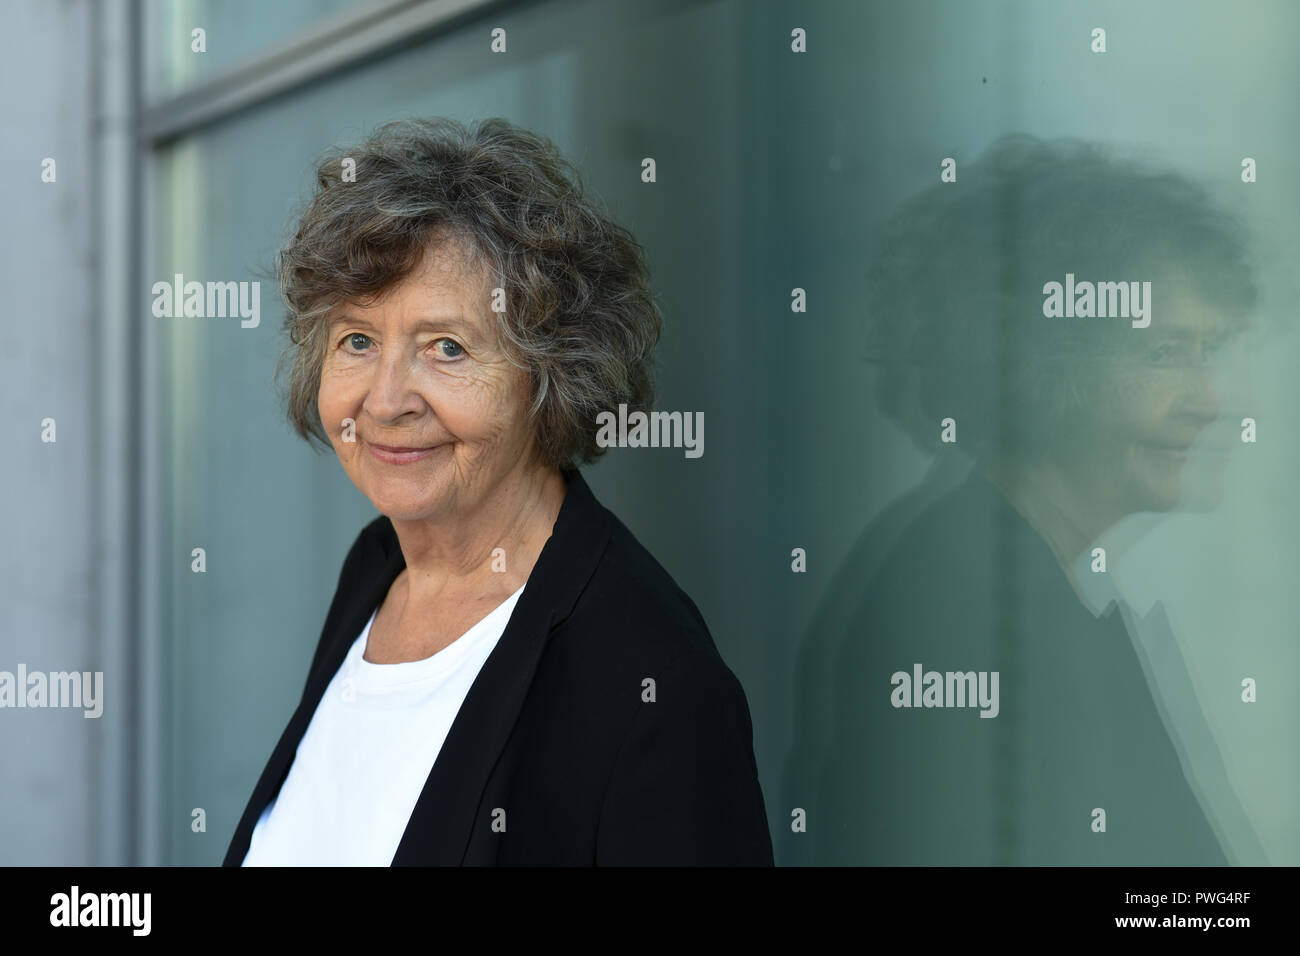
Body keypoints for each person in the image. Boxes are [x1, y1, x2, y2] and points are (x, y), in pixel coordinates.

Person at [224, 117, 773, 866]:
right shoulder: (380, 566)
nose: (386, 401)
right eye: (357, 340)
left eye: (446, 348)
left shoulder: (654, 686)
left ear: (552, 377)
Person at [783, 134, 1266, 865]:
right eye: (1163, 353)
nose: (1212, 400)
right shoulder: (960, 598)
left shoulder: (1043, 575)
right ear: (1041, 360)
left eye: (1212, 350)